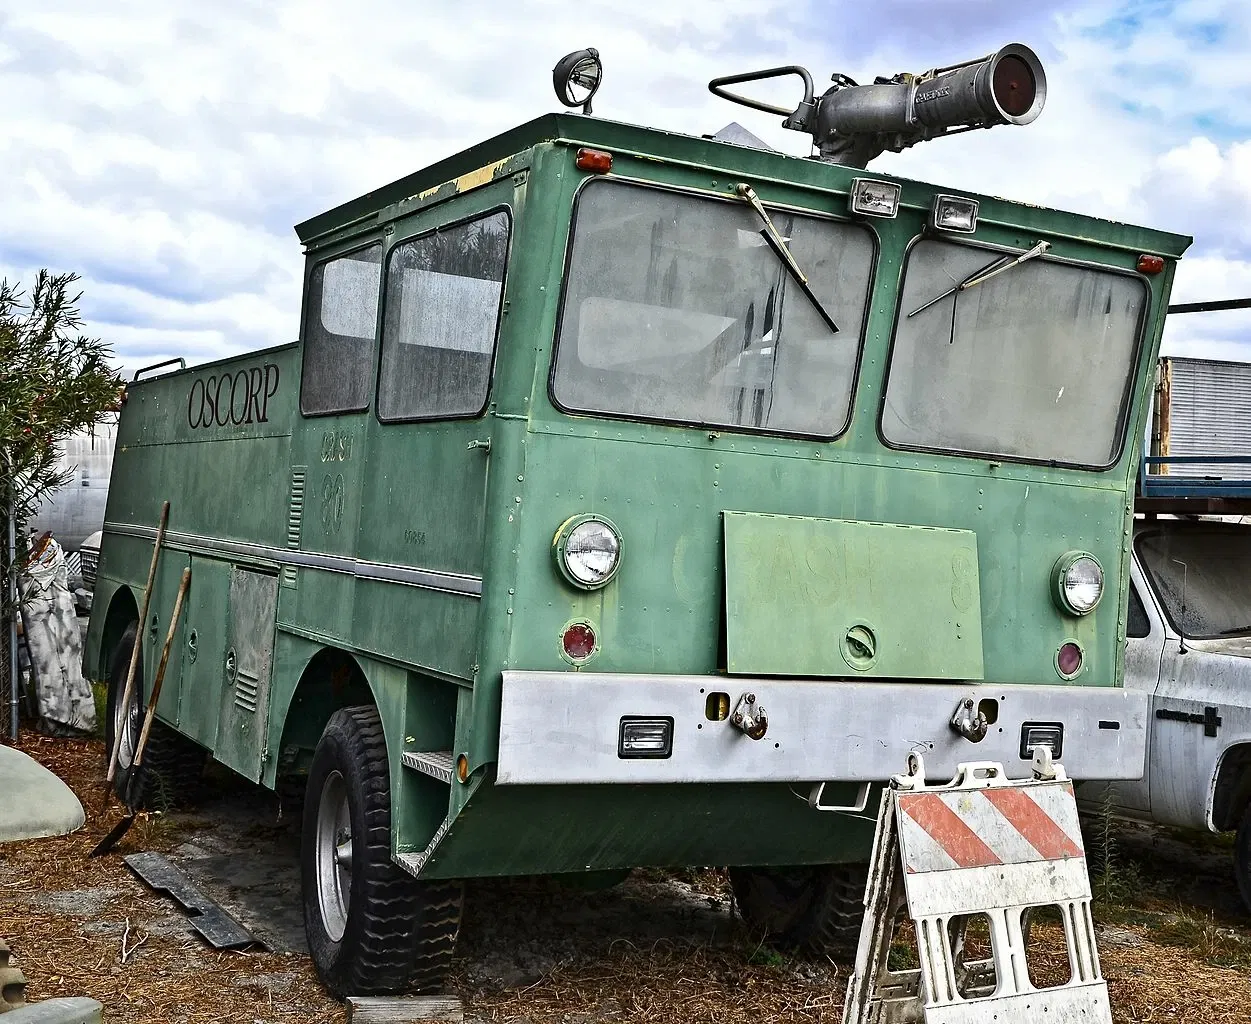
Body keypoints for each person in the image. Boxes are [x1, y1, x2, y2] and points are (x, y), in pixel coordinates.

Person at [18, 530, 97, 737]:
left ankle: (75, 718)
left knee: (65, 665)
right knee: (48, 666)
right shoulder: (40, 569)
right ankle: (57, 717)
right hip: (46, 618)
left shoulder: (52, 558)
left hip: (59, 618)